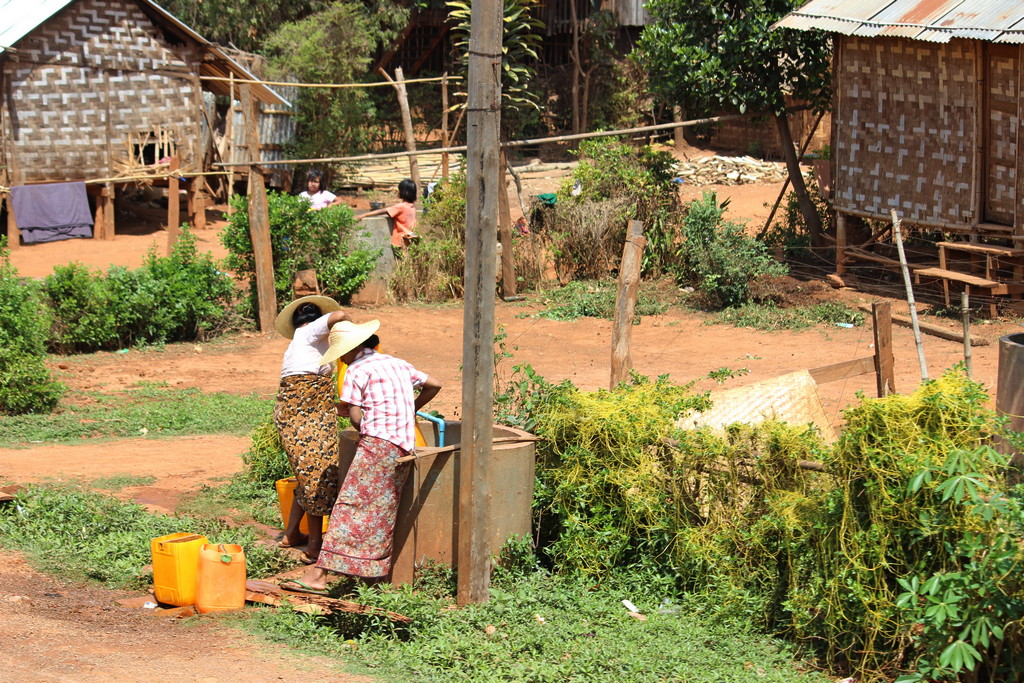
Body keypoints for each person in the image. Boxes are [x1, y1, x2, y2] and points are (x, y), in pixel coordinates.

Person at [282, 320, 441, 594]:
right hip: (403, 446)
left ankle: (318, 575)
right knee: (380, 512)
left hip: (377, 446)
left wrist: (360, 418)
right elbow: (434, 384)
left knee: (349, 507)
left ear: (352, 349)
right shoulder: (398, 363)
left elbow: (356, 418)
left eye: (341, 353)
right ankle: (373, 577)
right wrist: (408, 410)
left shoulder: (357, 369)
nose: (341, 358)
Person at [273, 295, 352, 563]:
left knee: (309, 473)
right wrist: (352, 334)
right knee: (319, 476)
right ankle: (315, 547)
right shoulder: (310, 332)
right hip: (306, 416)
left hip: (301, 413)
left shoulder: (300, 344)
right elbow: (339, 316)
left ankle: (292, 533)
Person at [359, 178, 418, 250]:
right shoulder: (412, 206)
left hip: (401, 240)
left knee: (401, 259)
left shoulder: (401, 207)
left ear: (403, 192)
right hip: (411, 238)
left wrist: (364, 215)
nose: (398, 192)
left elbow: (384, 210)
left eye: (399, 190)